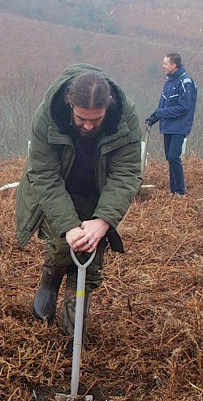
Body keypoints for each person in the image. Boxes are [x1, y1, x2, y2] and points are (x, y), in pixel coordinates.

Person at [15, 64, 144, 332]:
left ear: (108, 105)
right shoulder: (48, 116)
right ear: (69, 103)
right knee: (64, 244)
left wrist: (103, 220)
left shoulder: (125, 118)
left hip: (99, 189)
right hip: (60, 184)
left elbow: (126, 174)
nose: (87, 125)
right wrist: (69, 226)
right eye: (81, 118)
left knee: (90, 253)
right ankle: (50, 279)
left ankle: (73, 324)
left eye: (95, 120)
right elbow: (44, 174)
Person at [144, 52, 198, 196]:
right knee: (169, 157)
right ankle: (173, 190)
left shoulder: (186, 82)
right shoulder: (169, 82)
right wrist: (153, 118)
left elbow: (184, 107)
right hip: (167, 126)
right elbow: (163, 105)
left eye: (165, 63)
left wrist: (161, 114)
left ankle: (180, 192)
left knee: (174, 156)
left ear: (174, 65)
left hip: (179, 127)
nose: (163, 66)